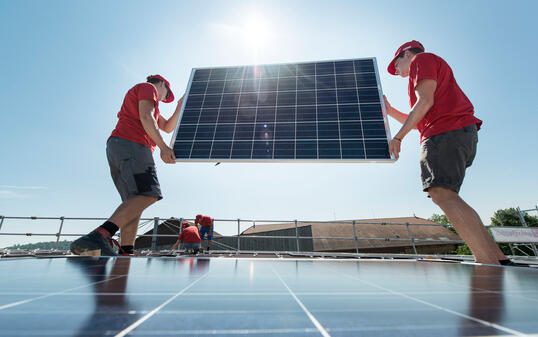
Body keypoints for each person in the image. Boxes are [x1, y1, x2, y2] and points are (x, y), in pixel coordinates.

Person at [384, 40, 509, 265]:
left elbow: (424, 102)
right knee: (448, 195)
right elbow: (421, 119)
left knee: (442, 193)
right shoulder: (429, 68)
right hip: (455, 132)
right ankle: (498, 258)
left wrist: (398, 137)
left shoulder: (421, 60)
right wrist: (391, 111)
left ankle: (487, 262)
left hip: (445, 133)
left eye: (396, 65)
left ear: (406, 54)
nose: (397, 71)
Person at [70, 75, 183, 256]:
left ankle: (126, 250)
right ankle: (97, 236)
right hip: (133, 144)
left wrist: (179, 105)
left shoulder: (151, 104)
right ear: (161, 84)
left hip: (119, 147)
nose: (163, 98)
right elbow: (146, 117)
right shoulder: (148, 87)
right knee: (149, 194)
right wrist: (163, 147)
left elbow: (167, 127)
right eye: (166, 94)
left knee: (134, 203)